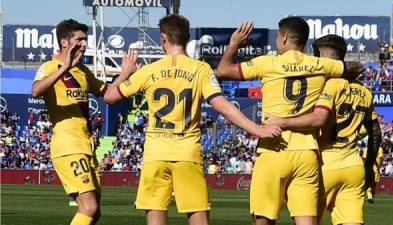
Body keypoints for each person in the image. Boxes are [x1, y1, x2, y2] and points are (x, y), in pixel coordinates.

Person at [103, 14, 281, 225]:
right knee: (198, 218)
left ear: (163, 38)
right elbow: (222, 106)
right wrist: (256, 129)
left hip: (155, 153)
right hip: (187, 153)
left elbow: (109, 97)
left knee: (155, 216)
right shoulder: (200, 69)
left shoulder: (148, 71)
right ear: (187, 38)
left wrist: (124, 73)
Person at [217, 17, 364, 225]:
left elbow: (223, 71)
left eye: (278, 36)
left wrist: (234, 45)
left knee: (263, 220)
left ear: (284, 38)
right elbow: (357, 67)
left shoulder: (268, 63)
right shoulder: (321, 64)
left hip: (273, 148)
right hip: (307, 152)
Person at [265, 34, 382, 225]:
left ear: (325, 59)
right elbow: (376, 133)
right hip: (353, 166)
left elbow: (315, 119)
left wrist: (282, 121)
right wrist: (369, 166)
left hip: (324, 163)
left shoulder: (328, 85)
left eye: (316, 57)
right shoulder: (365, 91)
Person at [31, 19, 132, 225]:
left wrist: (124, 74)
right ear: (64, 42)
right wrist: (64, 68)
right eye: (80, 39)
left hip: (86, 146)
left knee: (94, 212)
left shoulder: (83, 71)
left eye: (86, 39)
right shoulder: (49, 66)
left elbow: (108, 94)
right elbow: (36, 91)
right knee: (89, 207)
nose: (85, 43)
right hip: (68, 146)